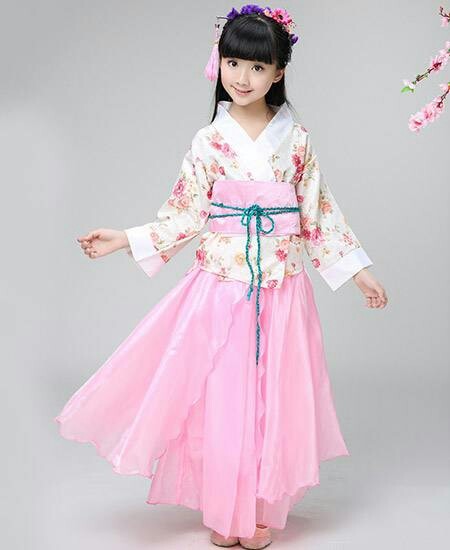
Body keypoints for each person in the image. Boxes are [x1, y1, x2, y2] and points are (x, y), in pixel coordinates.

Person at [54, 4, 388, 549]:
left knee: (273, 397)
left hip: (280, 287)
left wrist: (358, 272)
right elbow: (185, 213)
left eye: (257, 67)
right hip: (223, 285)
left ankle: (257, 508)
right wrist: (125, 238)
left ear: (278, 72)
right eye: (233, 63)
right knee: (226, 396)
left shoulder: (297, 141)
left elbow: (319, 213)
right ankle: (227, 508)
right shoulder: (208, 141)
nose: (242, 77)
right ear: (219, 63)